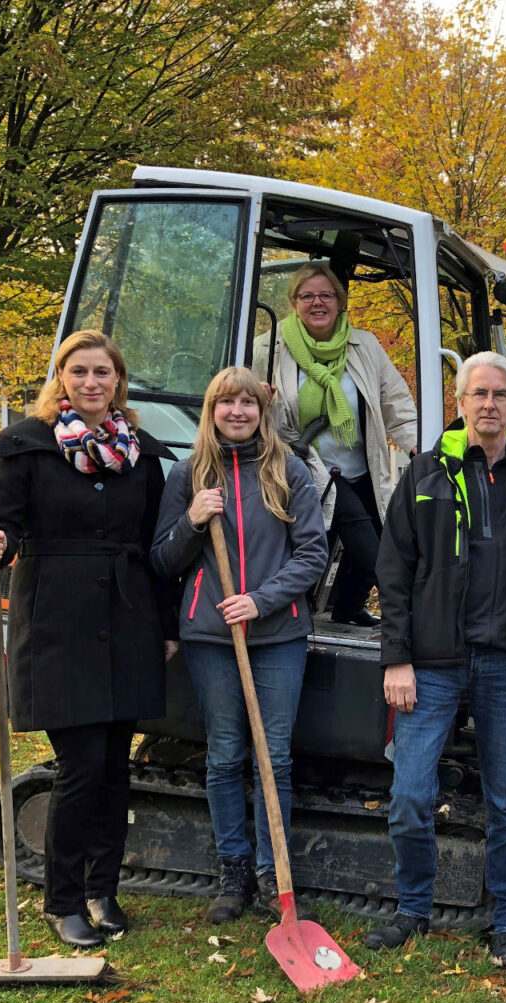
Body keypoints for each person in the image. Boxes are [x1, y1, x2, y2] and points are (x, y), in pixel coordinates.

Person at [366, 351, 506, 969]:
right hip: (430, 663)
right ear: (459, 402)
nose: (489, 404)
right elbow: (395, 571)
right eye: (478, 393)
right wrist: (395, 659)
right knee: (409, 794)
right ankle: (413, 910)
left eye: (501, 394)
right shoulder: (427, 472)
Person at [0, 329, 176, 949]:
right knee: (81, 765)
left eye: (103, 373)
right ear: (61, 380)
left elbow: (156, 543)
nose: (91, 383)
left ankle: (103, 888)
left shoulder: (140, 453)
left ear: (119, 382)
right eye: (79, 372)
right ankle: (63, 900)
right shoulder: (23, 450)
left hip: (128, 616)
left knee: (116, 766)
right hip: (59, 618)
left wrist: (164, 625)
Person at [151, 366, 327, 924]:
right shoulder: (189, 476)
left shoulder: (287, 470)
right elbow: (161, 560)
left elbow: (312, 554)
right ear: (211, 410)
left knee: (272, 758)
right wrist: (195, 522)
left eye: (247, 403)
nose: (237, 412)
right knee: (226, 754)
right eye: (225, 402)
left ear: (261, 409)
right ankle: (232, 873)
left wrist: (261, 600)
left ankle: (272, 868)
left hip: (277, 636)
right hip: (210, 636)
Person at [253, 263, 417, 626]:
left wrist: (419, 448)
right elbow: (237, 400)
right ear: (293, 302)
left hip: (361, 463)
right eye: (307, 296)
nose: (317, 303)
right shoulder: (268, 349)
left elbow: (395, 402)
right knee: (372, 549)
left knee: (385, 532)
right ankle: (405, 617)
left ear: (340, 302)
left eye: (326, 295)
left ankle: (347, 608)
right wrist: (257, 398)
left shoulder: (365, 345)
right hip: (307, 464)